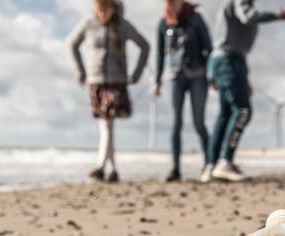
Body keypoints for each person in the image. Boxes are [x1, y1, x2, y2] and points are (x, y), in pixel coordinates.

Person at [204, 0, 285, 183]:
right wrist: (281, 15)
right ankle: (225, 162)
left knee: (224, 114)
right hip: (228, 60)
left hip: (224, 60)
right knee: (243, 111)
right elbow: (248, 17)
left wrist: (243, 76)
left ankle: (211, 165)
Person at [69, 0, 150, 183]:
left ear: (113, 9)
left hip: (116, 81)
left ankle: (100, 167)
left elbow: (145, 46)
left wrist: (136, 73)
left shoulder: (123, 26)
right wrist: (80, 71)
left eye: (105, 10)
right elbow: (72, 45)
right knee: (107, 125)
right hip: (96, 81)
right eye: (99, 10)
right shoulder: (88, 24)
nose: (102, 14)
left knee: (106, 123)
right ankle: (112, 170)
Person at [155, 0, 213, 183]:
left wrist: (211, 75)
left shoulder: (196, 19)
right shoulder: (163, 22)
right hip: (175, 76)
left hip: (198, 76)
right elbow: (160, 54)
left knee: (198, 122)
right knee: (175, 123)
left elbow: (209, 48)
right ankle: (175, 168)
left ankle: (209, 164)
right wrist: (157, 80)